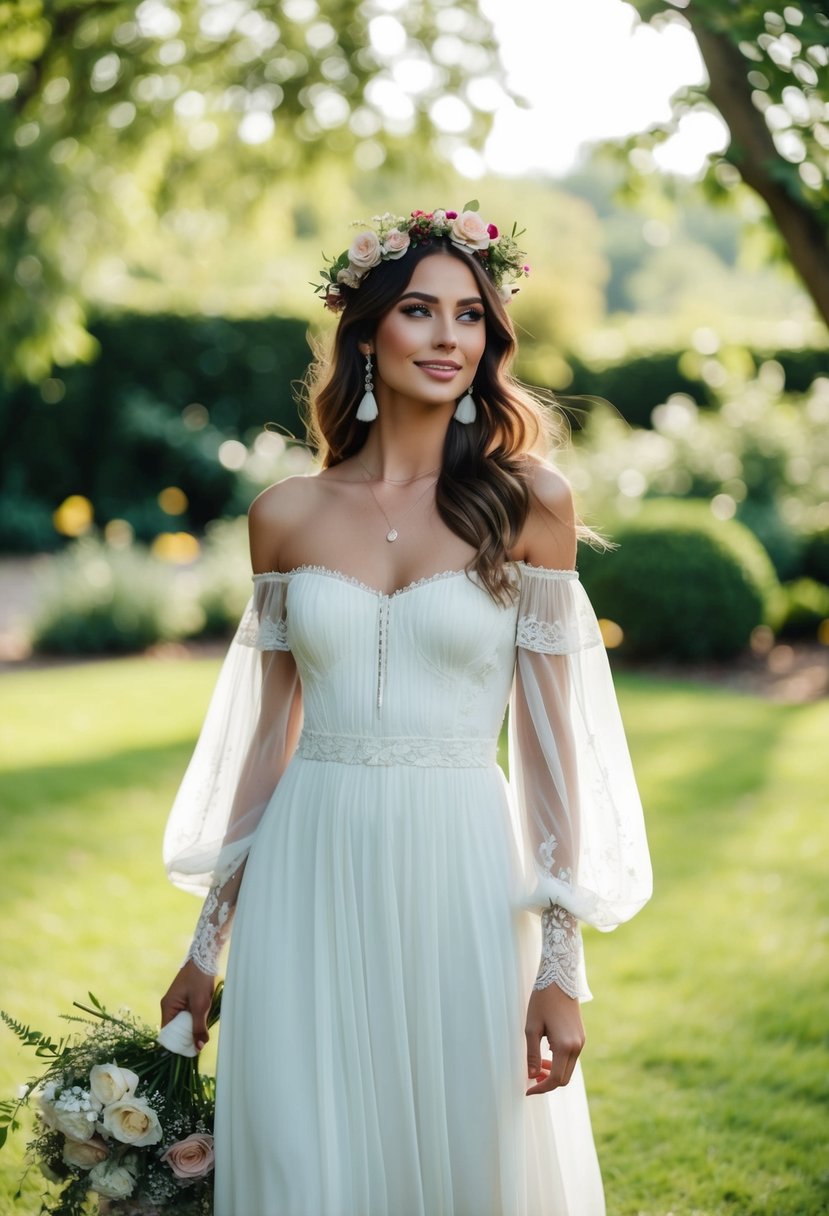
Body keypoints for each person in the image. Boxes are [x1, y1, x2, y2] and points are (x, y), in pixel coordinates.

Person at [160, 205, 652, 1216]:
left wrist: (561, 967)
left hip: (465, 871)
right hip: (308, 866)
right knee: (305, 1150)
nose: (448, 337)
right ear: (368, 333)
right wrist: (205, 948)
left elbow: (553, 751)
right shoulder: (285, 517)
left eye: (470, 316)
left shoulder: (528, 503)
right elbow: (267, 740)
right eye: (420, 311)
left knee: (464, 1154)